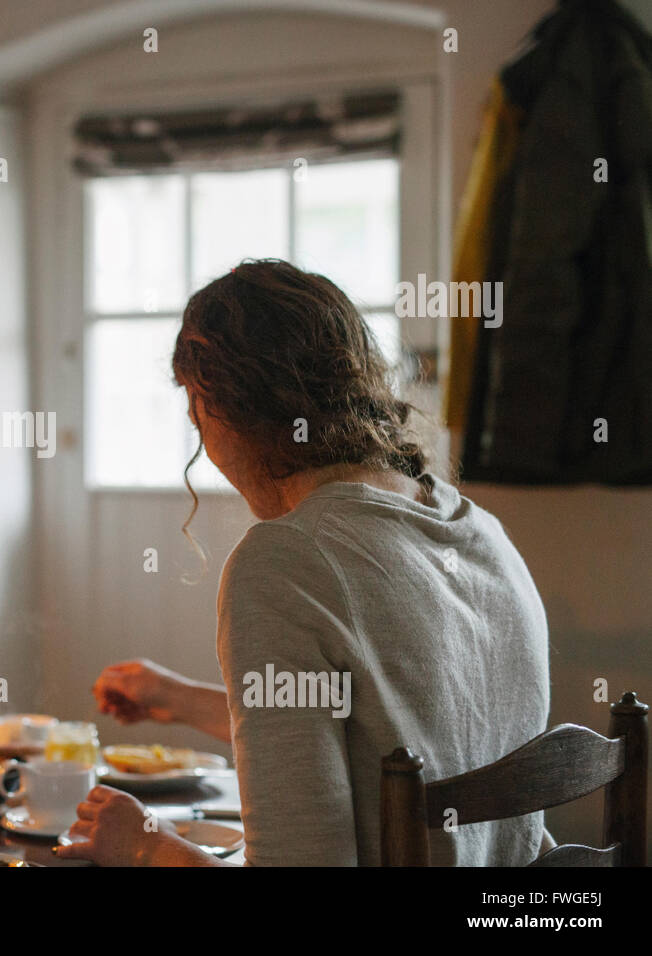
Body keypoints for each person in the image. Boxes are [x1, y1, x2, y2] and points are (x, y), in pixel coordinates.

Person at [55, 259, 551, 866]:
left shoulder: (285, 562)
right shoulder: (481, 532)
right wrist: (175, 698)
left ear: (231, 409)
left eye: (197, 412)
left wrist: (144, 844)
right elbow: (391, 727)